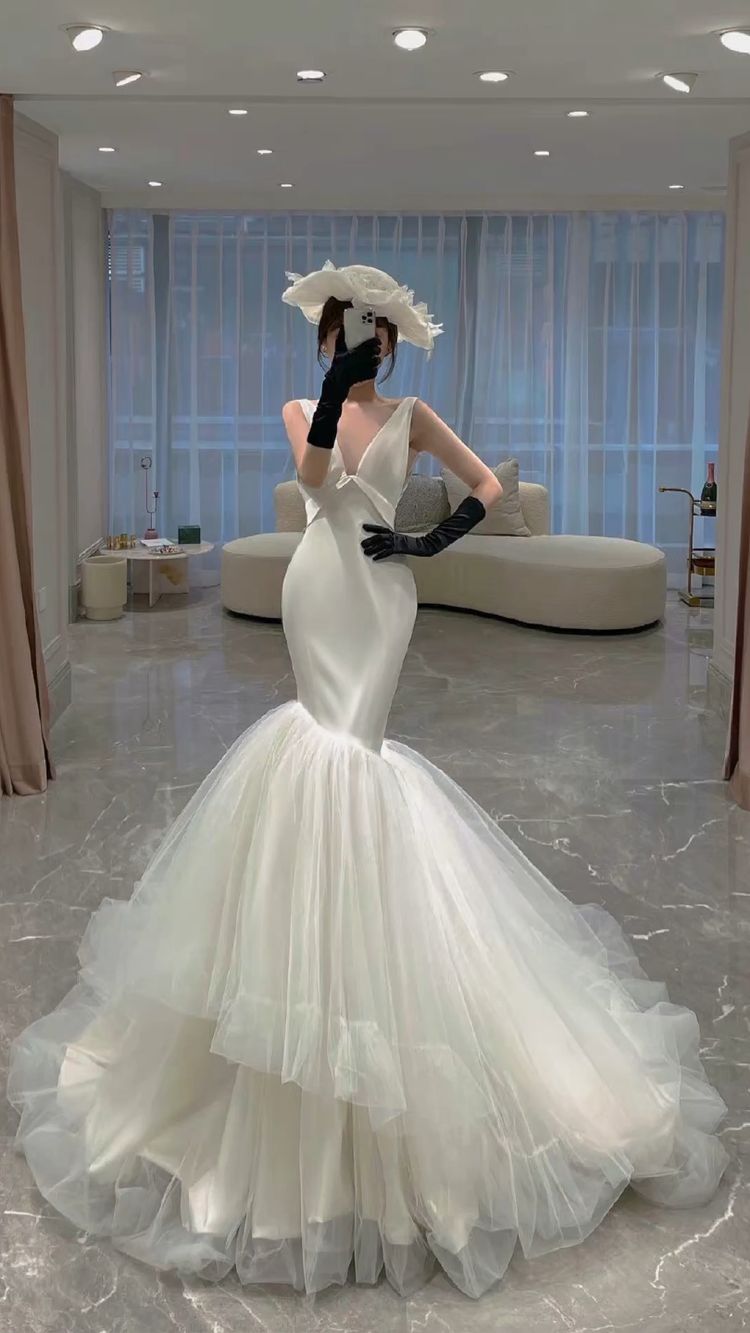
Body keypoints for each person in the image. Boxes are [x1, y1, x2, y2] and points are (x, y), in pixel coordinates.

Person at [8, 262, 729, 1301]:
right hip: (320, 587)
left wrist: (429, 539)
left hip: (385, 593)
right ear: (328, 336)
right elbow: (313, 485)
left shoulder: (415, 414)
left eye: (378, 333)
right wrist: (335, 392)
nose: (367, 343)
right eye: (352, 330)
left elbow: (487, 487)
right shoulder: (302, 405)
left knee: (358, 752)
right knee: (317, 744)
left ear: (393, 341)